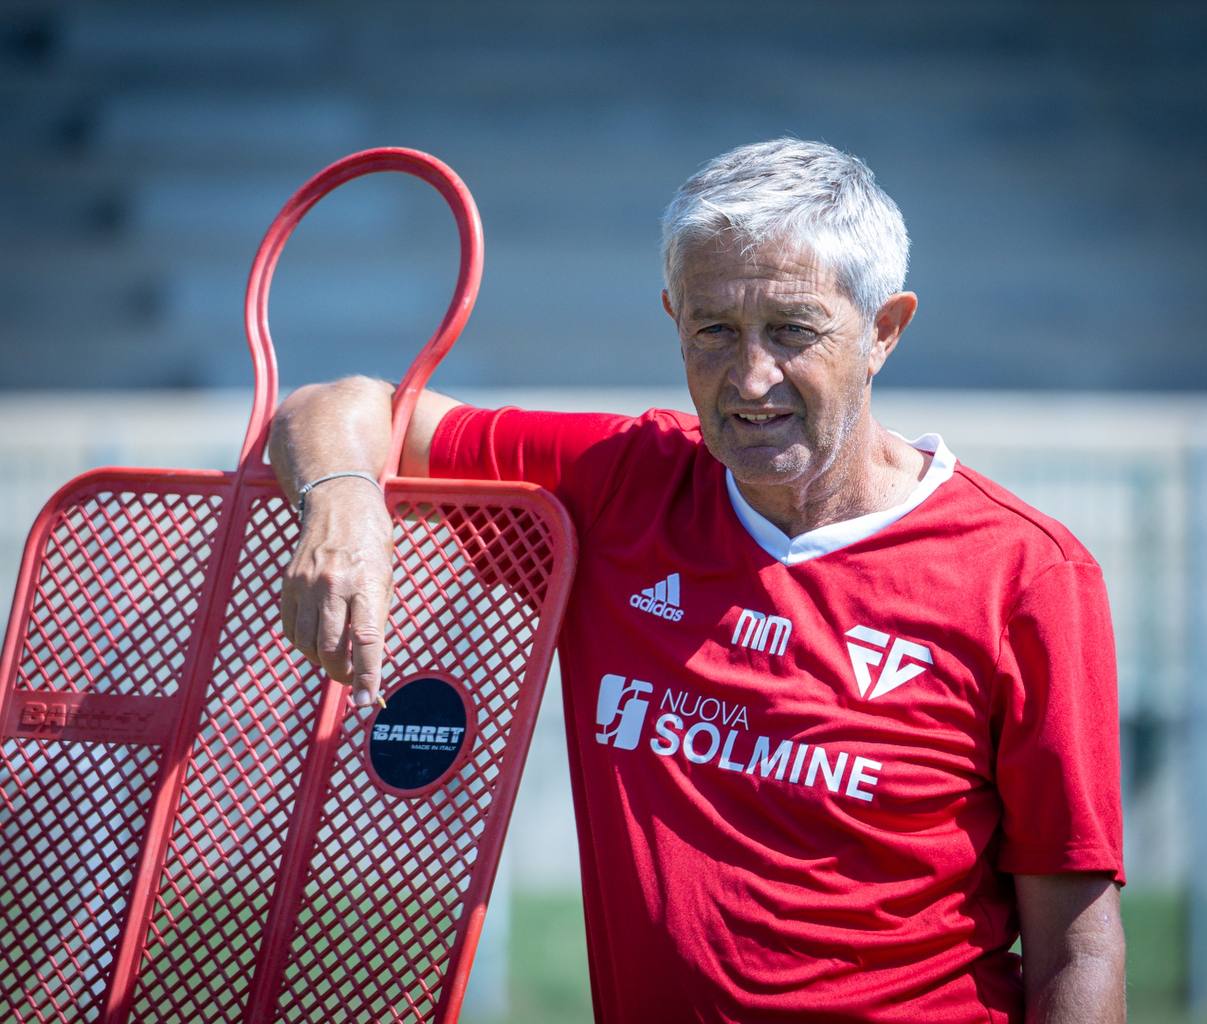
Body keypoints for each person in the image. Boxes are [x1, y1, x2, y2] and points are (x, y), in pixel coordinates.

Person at [269, 138, 1126, 1023]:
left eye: (793, 331)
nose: (751, 378)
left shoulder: (1026, 575)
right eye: (714, 330)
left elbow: (1079, 947)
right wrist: (343, 503)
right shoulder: (620, 484)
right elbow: (332, 408)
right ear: (674, 319)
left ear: (883, 330)